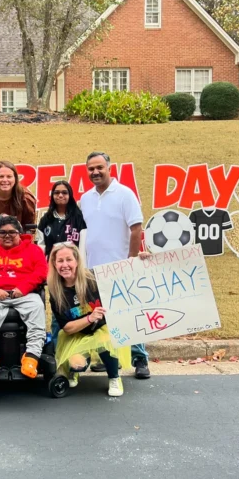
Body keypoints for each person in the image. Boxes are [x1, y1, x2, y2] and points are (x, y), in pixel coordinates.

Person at [79, 151, 151, 379]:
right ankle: (112, 359)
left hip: (120, 267)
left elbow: (136, 228)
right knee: (102, 317)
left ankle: (140, 359)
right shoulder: (86, 198)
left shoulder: (124, 194)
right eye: (91, 168)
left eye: (99, 167)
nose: (95, 172)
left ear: (110, 168)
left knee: (129, 315)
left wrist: (130, 260)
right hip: (93, 269)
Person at [47, 242, 131, 396]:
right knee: (76, 364)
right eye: (60, 261)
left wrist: (142, 261)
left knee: (107, 340)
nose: (65, 265)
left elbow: (127, 277)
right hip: (77, 333)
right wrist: (90, 318)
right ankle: (75, 371)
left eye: (69, 259)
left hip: (102, 328)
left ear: (77, 261)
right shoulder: (56, 292)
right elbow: (67, 328)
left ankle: (114, 377)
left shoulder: (94, 278)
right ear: (54, 264)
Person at [0, 216, 48, 379]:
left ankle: (32, 358)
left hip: (24, 293)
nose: (7, 235)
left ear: (19, 233)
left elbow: (41, 272)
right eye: (2, 232)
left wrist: (24, 287)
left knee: (37, 306)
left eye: (12, 232)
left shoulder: (33, 250)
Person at [37, 180, 86, 350]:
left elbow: (84, 244)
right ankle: (58, 351)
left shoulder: (79, 217)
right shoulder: (46, 219)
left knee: (78, 309)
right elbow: (41, 246)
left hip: (75, 273)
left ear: (70, 195)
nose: (60, 195)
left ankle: (80, 349)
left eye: (64, 192)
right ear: (52, 195)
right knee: (58, 311)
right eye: (57, 192)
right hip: (54, 272)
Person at [0, 161, 37, 233]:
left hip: (17, 239)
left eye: (9, 176)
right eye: (1, 176)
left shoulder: (26, 198)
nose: (5, 180)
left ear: (15, 179)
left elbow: (29, 227)